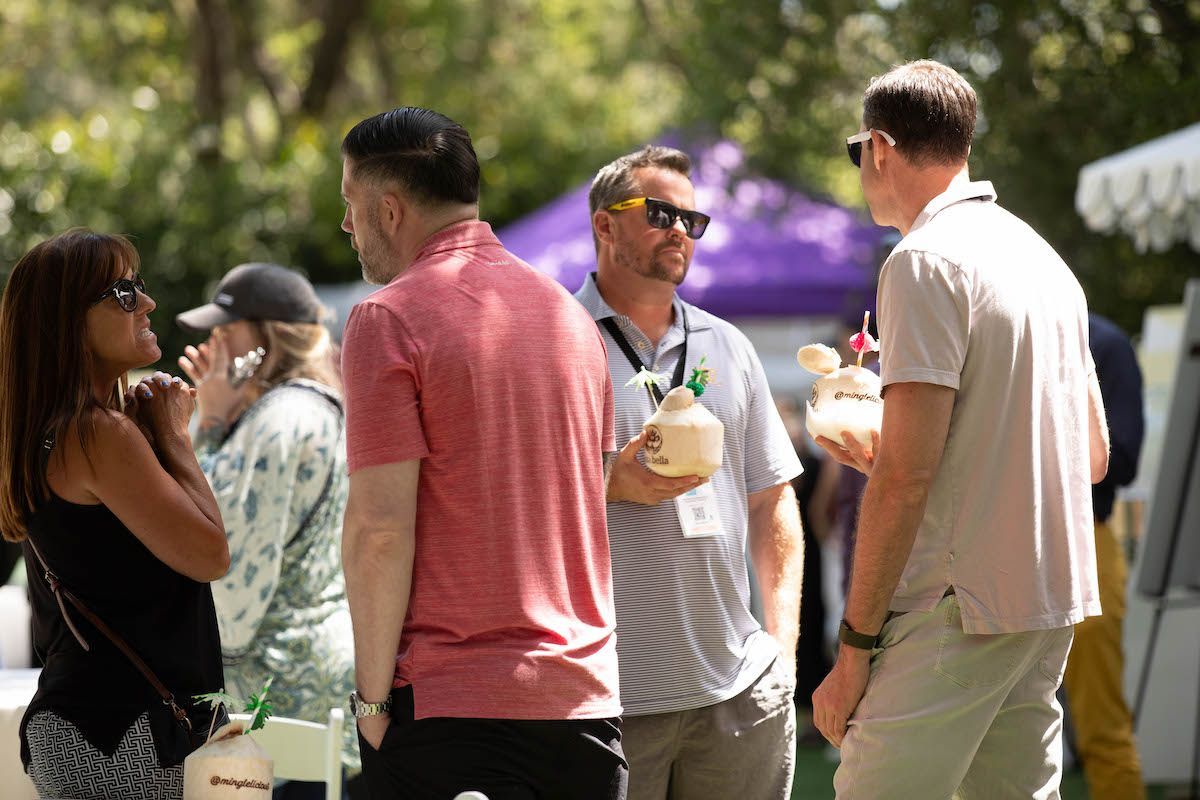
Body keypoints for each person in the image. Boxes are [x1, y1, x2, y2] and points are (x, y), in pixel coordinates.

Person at [810, 60, 1110, 798]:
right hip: (1044, 603)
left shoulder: (923, 260)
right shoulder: (1044, 261)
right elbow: (1093, 456)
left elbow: (907, 478)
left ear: (878, 147)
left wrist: (852, 652)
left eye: (857, 154)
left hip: (953, 607)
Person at [337, 107, 625, 800]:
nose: (346, 226)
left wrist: (371, 705)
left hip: (452, 713)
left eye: (348, 204)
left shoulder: (388, 317)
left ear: (389, 208)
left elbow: (379, 531)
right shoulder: (568, 314)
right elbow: (598, 487)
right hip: (585, 706)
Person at [577, 145, 804, 800]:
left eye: (692, 220)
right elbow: (507, 495)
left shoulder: (728, 345)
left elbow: (772, 499)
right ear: (604, 224)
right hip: (608, 700)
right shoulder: (556, 340)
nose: (681, 230)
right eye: (660, 213)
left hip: (738, 695)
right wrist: (609, 479)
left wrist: (781, 649)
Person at [0, 229, 227, 799]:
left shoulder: (53, 431)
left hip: (91, 729)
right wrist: (174, 438)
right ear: (68, 324)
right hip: (118, 738)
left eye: (140, 286)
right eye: (123, 293)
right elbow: (209, 554)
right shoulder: (97, 433)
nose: (147, 302)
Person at [175, 262, 359, 796]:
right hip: (310, 695)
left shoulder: (282, 418)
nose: (213, 343)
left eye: (225, 330)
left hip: (277, 709)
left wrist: (207, 426)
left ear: (268, 338)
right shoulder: (311, 407)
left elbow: (224, 566)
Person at [1061, 312, 1147, 800]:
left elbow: (1125, 457)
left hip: (1084, 538)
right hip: (994, 540)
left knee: (1103, 726)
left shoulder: (1104, 343)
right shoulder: (980, 331)